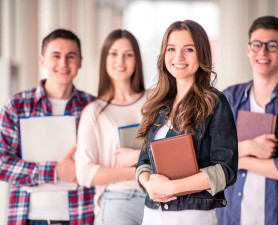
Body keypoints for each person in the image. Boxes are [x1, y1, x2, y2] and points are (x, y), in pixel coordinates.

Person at [135, 20, 238, 225]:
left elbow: (225, 170)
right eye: (171, 49)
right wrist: (149, 186)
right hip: (153, 214)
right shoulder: (157, 103)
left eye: (188, 49)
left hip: (193, 216)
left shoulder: (214, 102)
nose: (178, 57)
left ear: (201, 54)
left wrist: (171, 188)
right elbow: (144, 162)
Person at [0, 29, 95, 225]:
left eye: (71, 56)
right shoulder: (17, 105)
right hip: (28, 218)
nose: (63, 63)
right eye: (56, 56)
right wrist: (54, 171)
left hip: (81, 216)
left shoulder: (93, 107)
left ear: (80, 62)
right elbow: (1, 162)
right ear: (42, 60)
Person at [216, 16, 278, 225]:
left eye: (272, 45)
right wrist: (248, 147)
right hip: (231, 217)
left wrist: (240, 161)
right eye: (256, 45)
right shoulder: (229, 98)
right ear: (248, 49)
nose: (262, 52)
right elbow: (211, 153)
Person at [75, 29, 147, 225]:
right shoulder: (94, 112)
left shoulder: (154, 101)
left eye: (128, 55)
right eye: (113, 54)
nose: (120, 61)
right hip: (118, 199)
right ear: (104, 59)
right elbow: (85, 173)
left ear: (137, 60)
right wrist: (141, 169)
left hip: (158, 198)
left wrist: (140, 161)